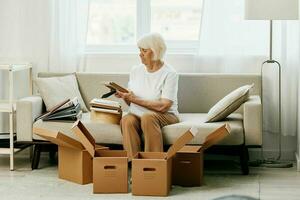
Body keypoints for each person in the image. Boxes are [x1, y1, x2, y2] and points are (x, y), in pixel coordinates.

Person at [115, 33, 179, 160]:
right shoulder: (136, 70)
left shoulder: (170, 73)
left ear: (156, 52)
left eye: (144, 50)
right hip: (138, 114)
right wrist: (127, 98)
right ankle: (135, 166)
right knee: (127, 120)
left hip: (165, 115)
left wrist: (133, 99)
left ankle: (153, 164)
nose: (140, 54)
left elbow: (164, 106)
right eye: (140, 50)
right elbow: (132, 103)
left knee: (148, 117)